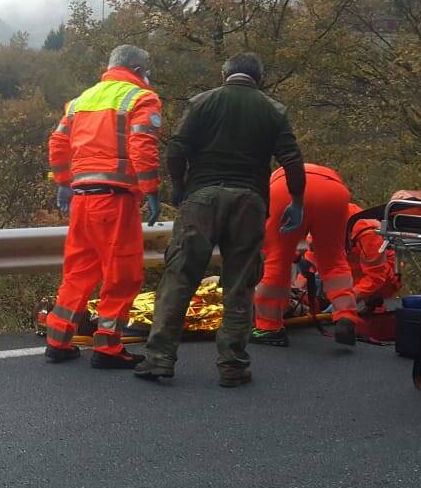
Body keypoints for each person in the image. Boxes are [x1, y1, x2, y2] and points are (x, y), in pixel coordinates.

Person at [134, 52, 305, 387]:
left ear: (224, 73)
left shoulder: (202, 103)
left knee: (180, 277)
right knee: (240, 284)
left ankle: (159, 359)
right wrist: (296, 201)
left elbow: (177, 150)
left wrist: (181, 186)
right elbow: (292, 161)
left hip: (202, 198)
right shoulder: (274, 110)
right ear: (260, 77)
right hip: (250, 202)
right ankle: (233, 366)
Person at [42, 44, 163, 369]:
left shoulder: (81, 100)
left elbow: (57, 143)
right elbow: (142, 144)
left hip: (82, 201)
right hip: (115, 200)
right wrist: (151, 189)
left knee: (79, 271)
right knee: (122, 274)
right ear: (139, 71)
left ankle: (58, 340)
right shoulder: (141, 98)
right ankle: (107, 348)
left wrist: (65, 181)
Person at [251, 163, 361, 347]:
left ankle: (268, 328)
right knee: (334, 260)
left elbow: (275, 247)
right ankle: (345, 316)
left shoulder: (272, 181)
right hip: (333, 191)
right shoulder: (323, 172)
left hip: (285, 189)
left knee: (277, 260)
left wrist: (286, 254)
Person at [292, 203, 400, 339]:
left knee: (366, 311)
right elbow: (313, 256)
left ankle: (372, 313)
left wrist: (347, 298)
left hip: (382, 275)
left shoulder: (368, 232)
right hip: (350, 267)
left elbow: (376, 277)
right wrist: (300, 286)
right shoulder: (322, 221)